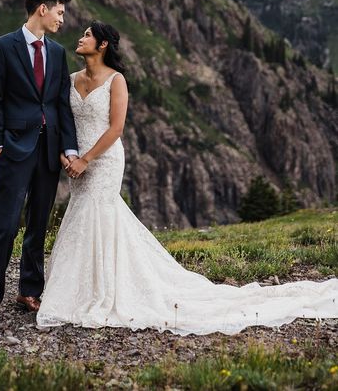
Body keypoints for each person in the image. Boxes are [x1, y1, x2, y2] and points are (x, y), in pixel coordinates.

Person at [37, 21, 338, 335]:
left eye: (88, 35)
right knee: (82, 215)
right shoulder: (71, 80)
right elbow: (62, 122)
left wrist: (87, 159)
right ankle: (80, 288)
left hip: (104, 160)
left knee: (100, 213)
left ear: (102, 46)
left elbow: (116, 128)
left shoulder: (117, 81)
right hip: (76, 162)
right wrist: (67, 155)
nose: (80, 37)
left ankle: (106, 291)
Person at [0, 0, 78, 322]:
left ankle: (29, 291)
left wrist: (68, 147)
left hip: (48, 151)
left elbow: (61, 104)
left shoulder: (59, 53)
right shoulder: (2, 47)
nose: (63, 19)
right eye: (60, 12)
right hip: (14, 149)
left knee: (38, 225)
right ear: (42, 10)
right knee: (4, 226)